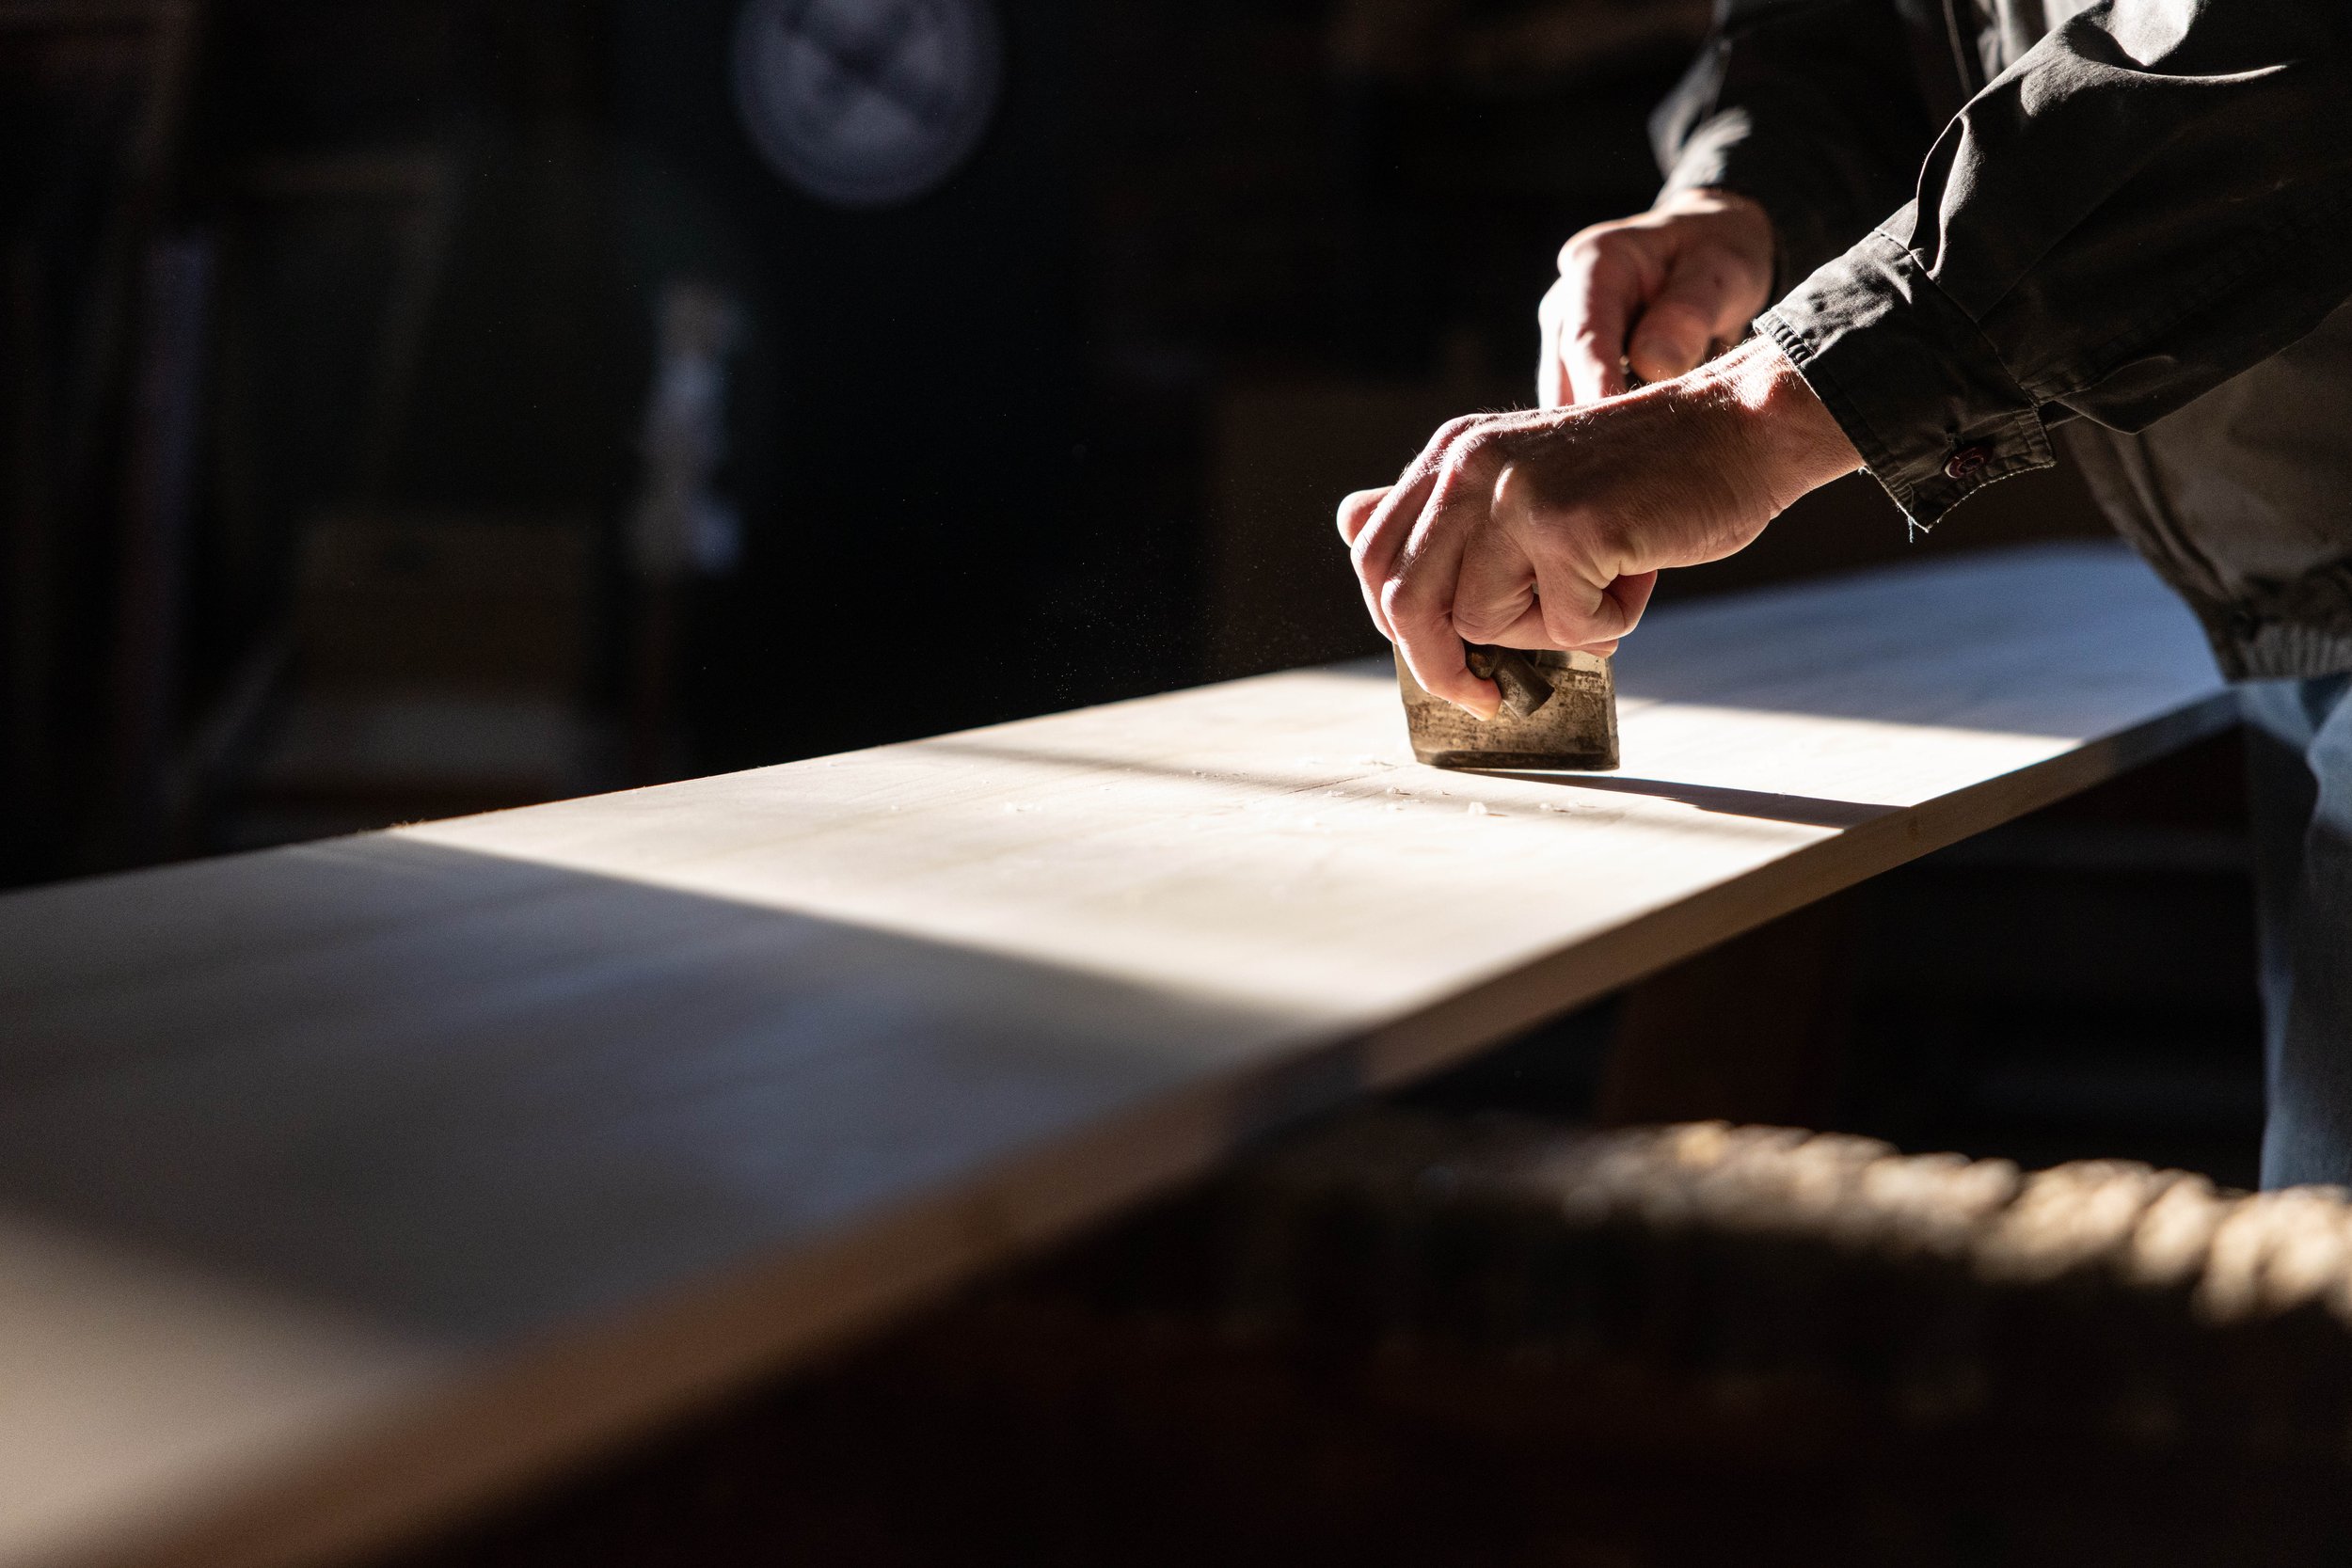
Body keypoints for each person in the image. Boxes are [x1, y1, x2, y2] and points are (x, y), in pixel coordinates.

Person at [1338, 0, 2352, 1189]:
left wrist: (1760, 412)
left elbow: (2266, 51)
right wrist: (1744, 202)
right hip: (2283, 594)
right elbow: (1867, 29)